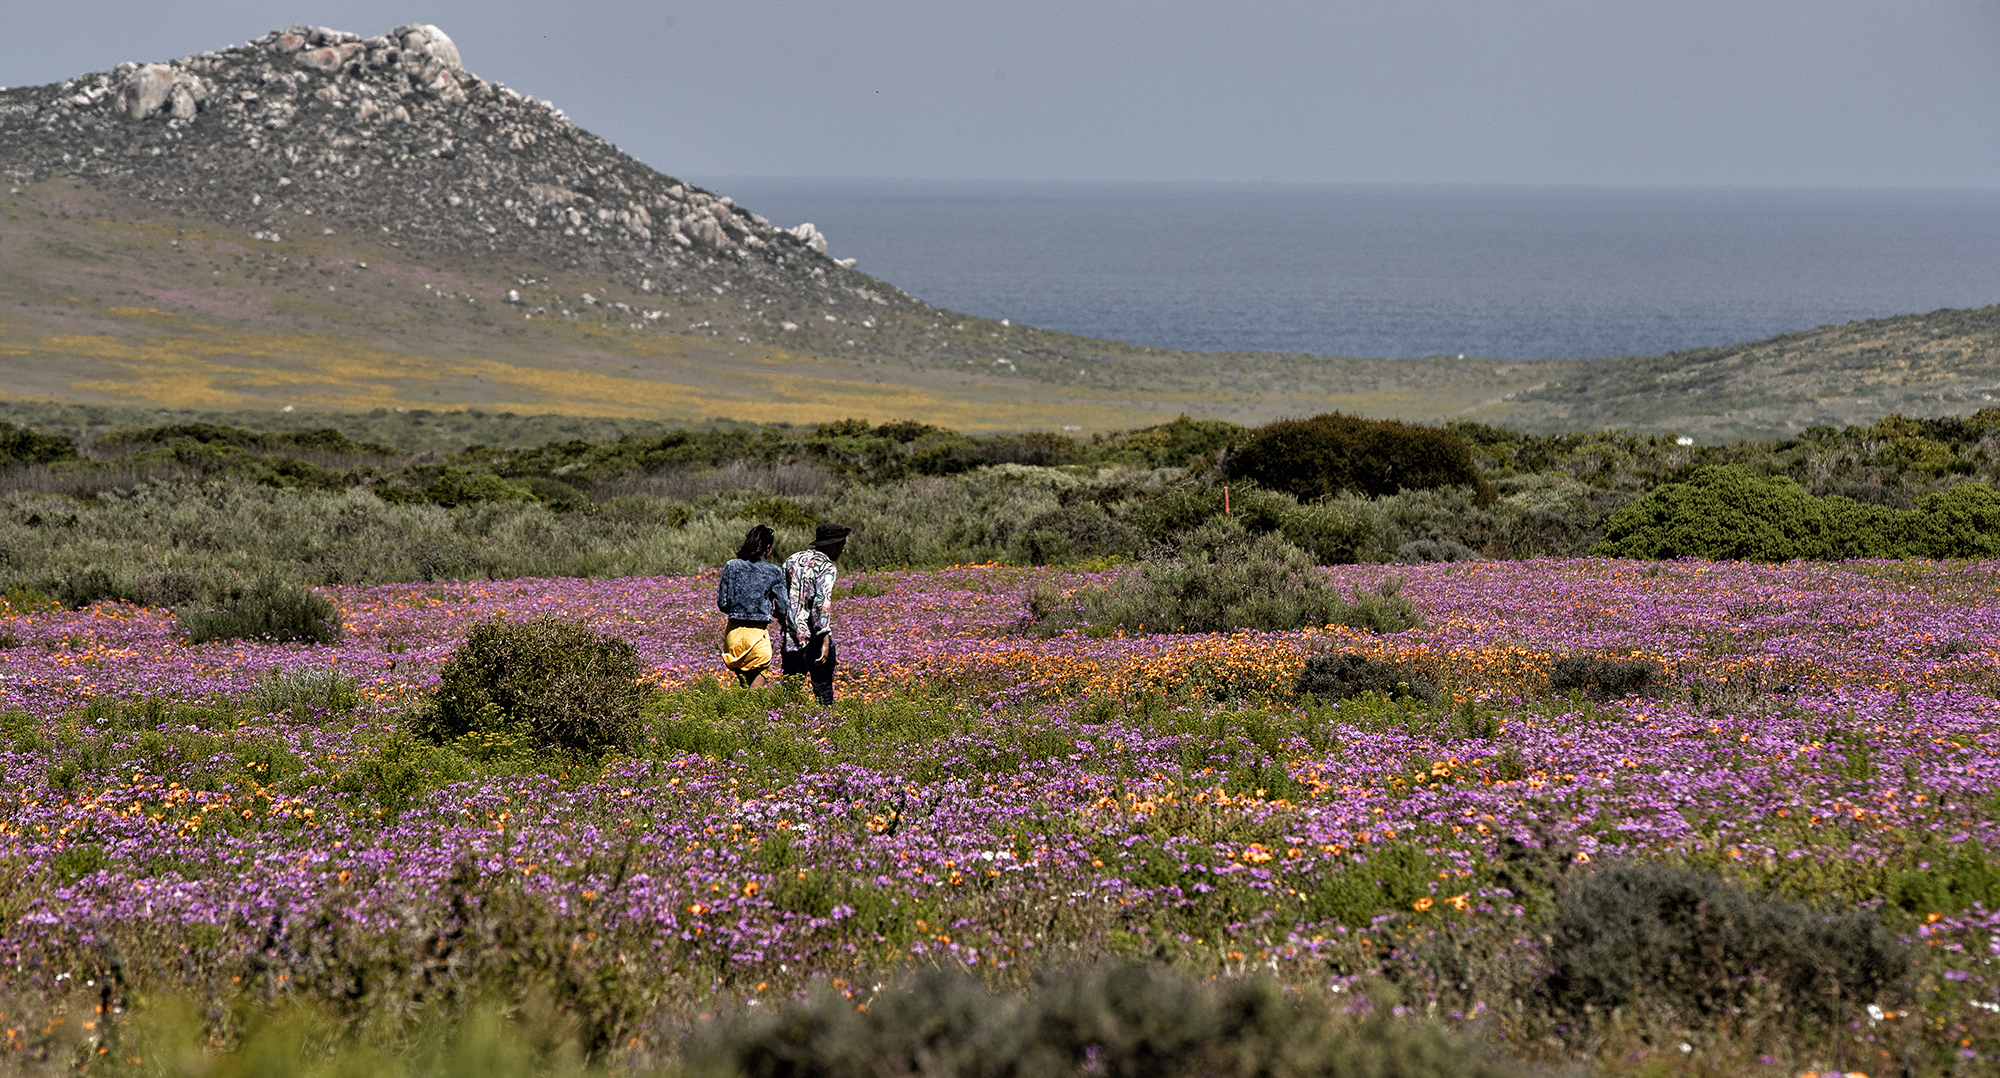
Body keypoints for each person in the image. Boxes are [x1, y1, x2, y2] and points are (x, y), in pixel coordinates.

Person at [715, 524, 795, 687]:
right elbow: (782, 607)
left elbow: (723, 603)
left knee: (744, 688)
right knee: (755, 696)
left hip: (734, 635)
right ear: (767, 547)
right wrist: (770, 612)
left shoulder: (731, 566)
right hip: (757, 635)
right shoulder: (774, 571)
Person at [780, 522, 849, 705]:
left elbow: (781, 597)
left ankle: (784, 725)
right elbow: (821, 603)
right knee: (823, 690)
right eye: (841, 546)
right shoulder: (827, 567)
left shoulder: (791, 560)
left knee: (790, 691)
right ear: (832, 545)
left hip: (791, 636)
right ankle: (826, 728)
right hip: (815, 638)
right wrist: (824, 639)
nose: (842, 551)